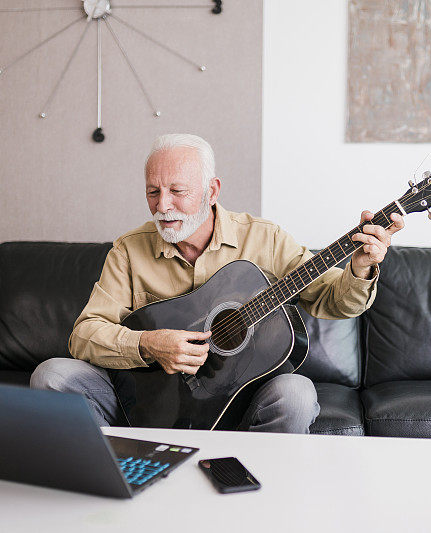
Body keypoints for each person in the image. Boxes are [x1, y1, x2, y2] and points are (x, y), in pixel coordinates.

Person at [30, 133, 404, 432]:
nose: (162, 206)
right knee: (52, 375)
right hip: (146, 400)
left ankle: (251, 498)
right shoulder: (129, 250)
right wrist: (147, 343)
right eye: (152, 192)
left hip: (239, 400)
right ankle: (117, 478)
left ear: (212, 191)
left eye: (177, 191)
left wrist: (359, 268)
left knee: (297, 394)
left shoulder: (264, 239)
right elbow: (84, 335)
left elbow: (332, 301)